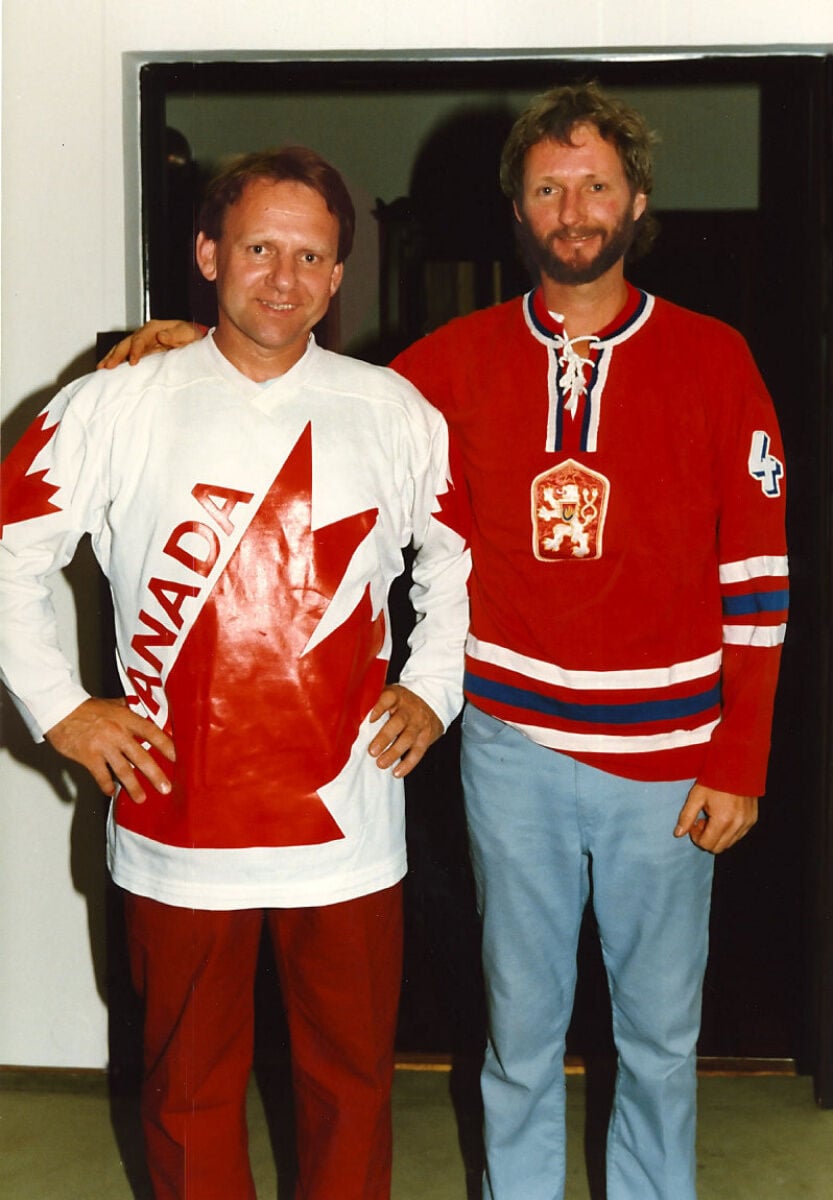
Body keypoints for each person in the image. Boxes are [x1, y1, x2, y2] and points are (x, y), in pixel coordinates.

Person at [101, 83, 789, 1200]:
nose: (572, 208)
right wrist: (195, 342)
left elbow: (758, 585)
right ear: (516, 209)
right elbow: (301, 385)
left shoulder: (715, 361)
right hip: (511, 750)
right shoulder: (443, 366)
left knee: (659, 1040)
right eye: (547, 187)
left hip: (668, 760)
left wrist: (740, 760)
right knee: (517, 1036)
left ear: (636, 200)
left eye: (595, 184)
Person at [0, 146, 470, 1200]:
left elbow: (455, 560)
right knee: (187, 1092)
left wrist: (432, 688)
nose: (284, 277)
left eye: (311, 256)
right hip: (179, 823)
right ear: (209, 253)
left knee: (350, 1085)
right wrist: (63, 711)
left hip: (347, 822)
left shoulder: (393, 410)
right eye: (259, 247)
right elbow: (9, 552)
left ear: (339, 274)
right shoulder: (114, 403)